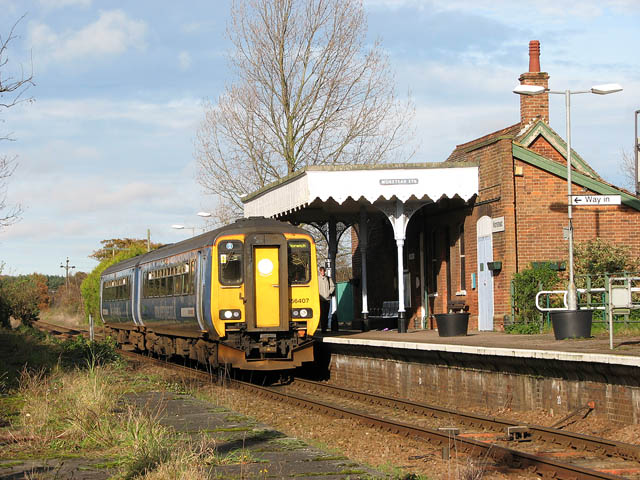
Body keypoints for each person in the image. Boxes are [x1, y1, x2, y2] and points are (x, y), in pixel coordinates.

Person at [318, 266, 334, 333]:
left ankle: (325, 327)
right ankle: (323, 328)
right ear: (319, 271)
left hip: (327, 299)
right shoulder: (317, 279)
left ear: (325, 271)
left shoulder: (328, 278)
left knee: (326, 313)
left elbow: (332, 286)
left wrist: (329, 292)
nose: (322, 272)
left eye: (323, 271)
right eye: (321, 271)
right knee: (322, 314)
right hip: (320, 299)